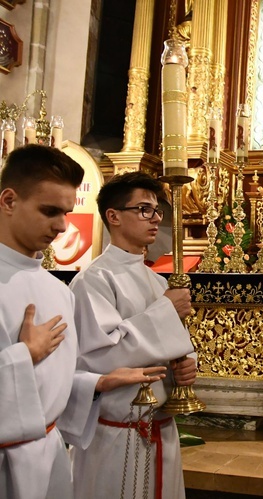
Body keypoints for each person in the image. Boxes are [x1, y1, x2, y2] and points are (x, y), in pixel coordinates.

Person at [0, 145, 165, 499]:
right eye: (49, 211)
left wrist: (98, 383)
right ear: (9, 200)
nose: (61, 226)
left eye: (65, 212)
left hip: (49, 457)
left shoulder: (56, 290)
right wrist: (22, 356)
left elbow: (54, 386)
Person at [68, 172, 197, 499]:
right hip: (116, 435)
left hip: (162, 427)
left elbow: (177, 342)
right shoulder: (93, 280)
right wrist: (167, 311)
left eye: (157, 210)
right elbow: (103, 356)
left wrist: (187, 365)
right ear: (113, 216)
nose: (155, 219)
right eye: (143, 209)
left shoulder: (158, 282)